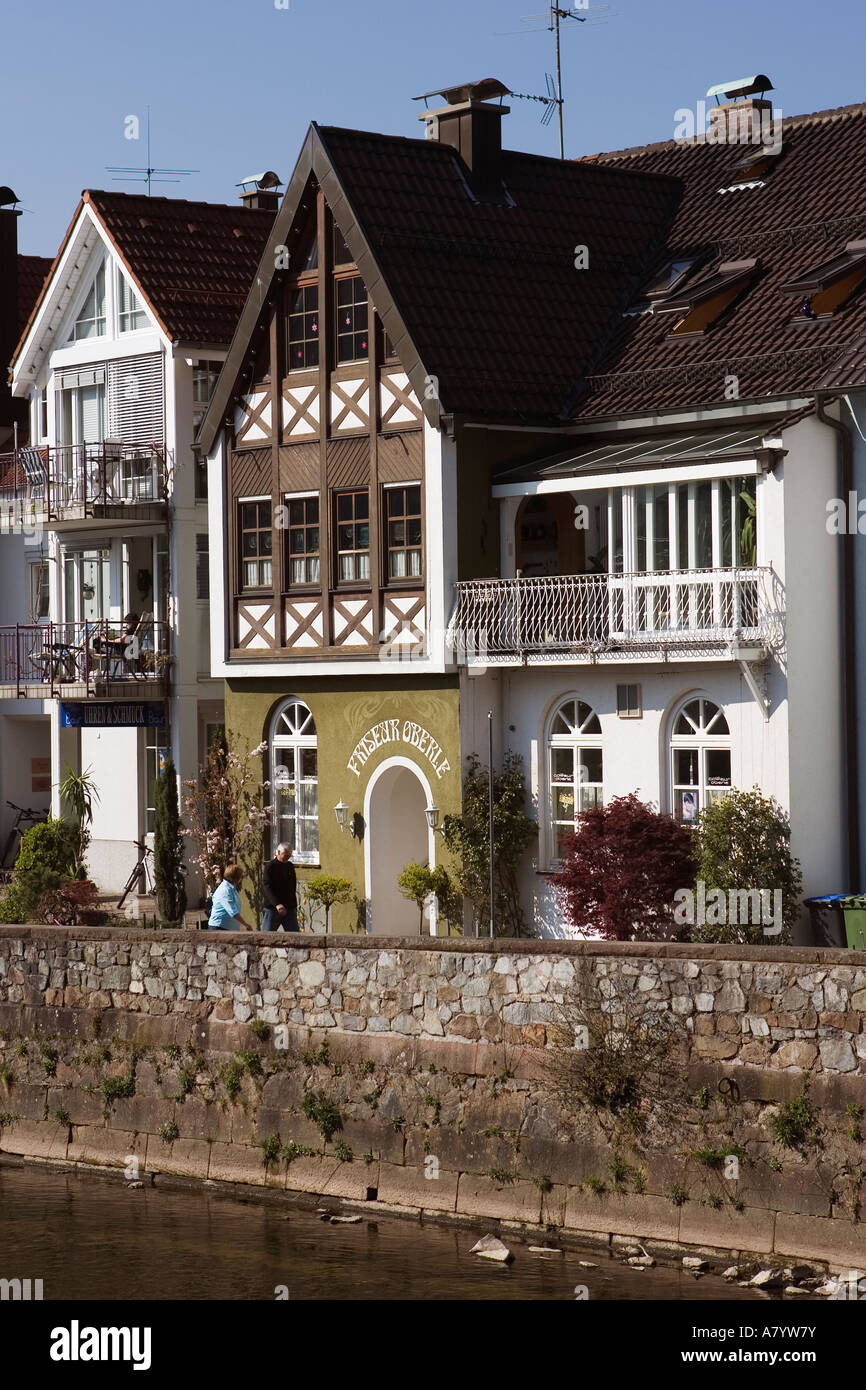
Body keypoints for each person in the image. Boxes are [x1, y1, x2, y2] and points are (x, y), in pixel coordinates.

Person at [262, 842, 298, 932]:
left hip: (289, 908)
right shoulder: (270, 866)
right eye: (285, 855)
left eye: (289, 856)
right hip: (272, 909)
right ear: (278, 852)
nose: (287, 858)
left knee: (295, 936)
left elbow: (293, 885)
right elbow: (267, 887)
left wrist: (293, 904)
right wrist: (277, 904)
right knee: (267, 937)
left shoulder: (290, 866)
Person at [208, 864, 253, 931]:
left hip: (229, 928)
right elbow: (232, 910)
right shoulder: (225, 890)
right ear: (235, 877)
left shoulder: (231, 889)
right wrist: (245, 924)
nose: (241, 879)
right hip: (219, 927)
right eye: (240, 877)